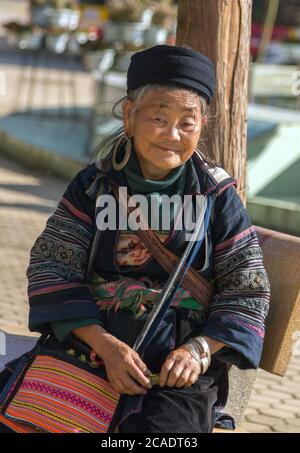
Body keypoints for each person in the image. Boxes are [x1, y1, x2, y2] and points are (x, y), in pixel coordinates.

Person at [0, 45, 270, 433]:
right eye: (159, 117)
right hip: (89, 349)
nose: (173, 135)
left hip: (174, 370)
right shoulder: (94, 187)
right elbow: (52, 267)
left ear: (202, 124)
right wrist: (106, 346)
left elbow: (248, 289)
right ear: (129, 115)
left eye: (187, 123)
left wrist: (197, 351)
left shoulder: (216, 196)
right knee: (27, 417)